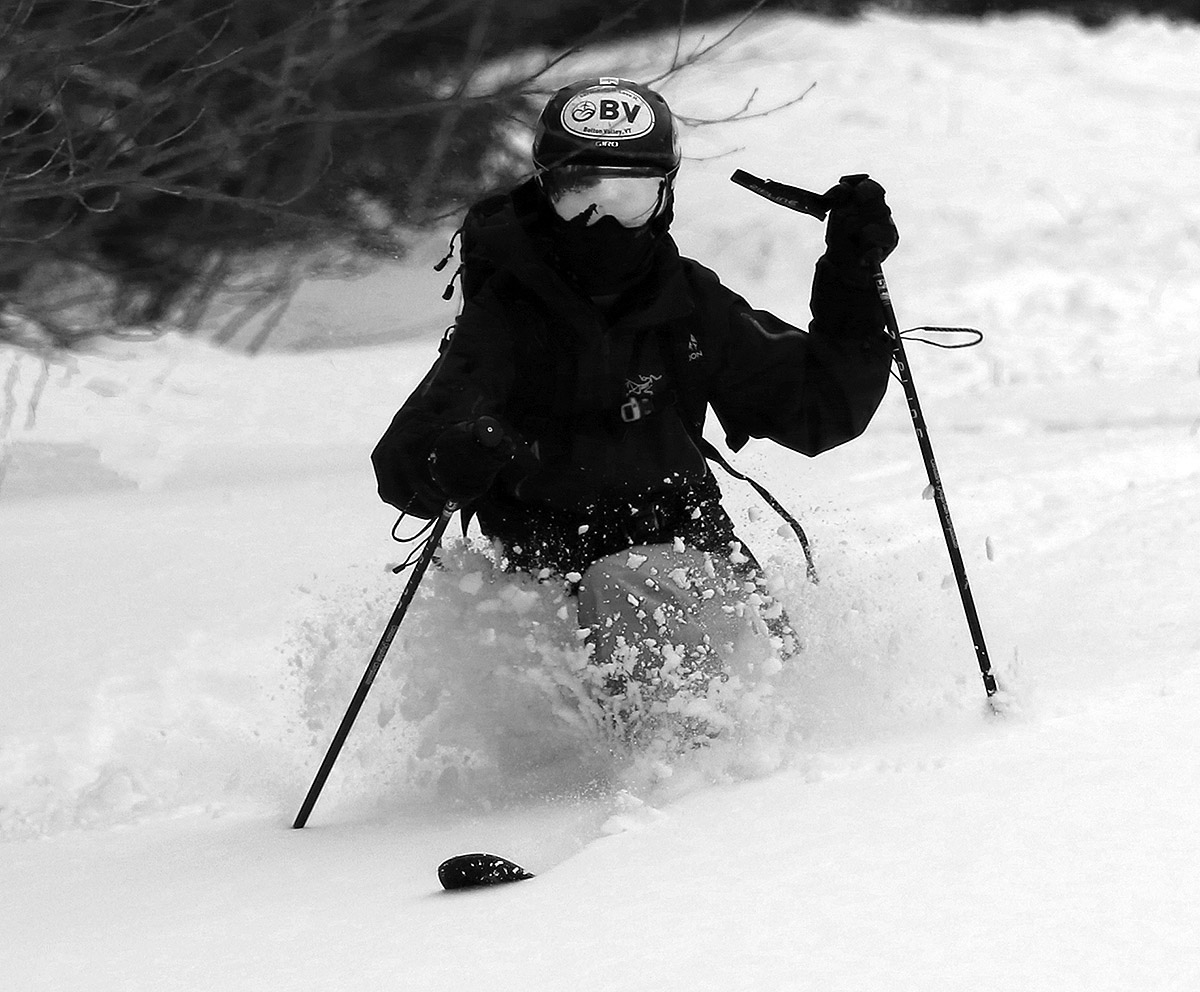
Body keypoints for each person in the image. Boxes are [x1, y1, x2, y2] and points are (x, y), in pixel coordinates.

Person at [372, 78, 898, 719]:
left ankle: (761, 795)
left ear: (666, 195)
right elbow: (406, 459)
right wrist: (447, 462)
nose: (605, 223)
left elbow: (821, 406)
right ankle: (674, 792)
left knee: (777, 695)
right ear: (546, 189)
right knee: (631, 600)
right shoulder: (506, 315)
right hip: (552, 563)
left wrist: (850, 277)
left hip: (691, 540)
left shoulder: (687, 301)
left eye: (632, 198)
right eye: (582, 196)